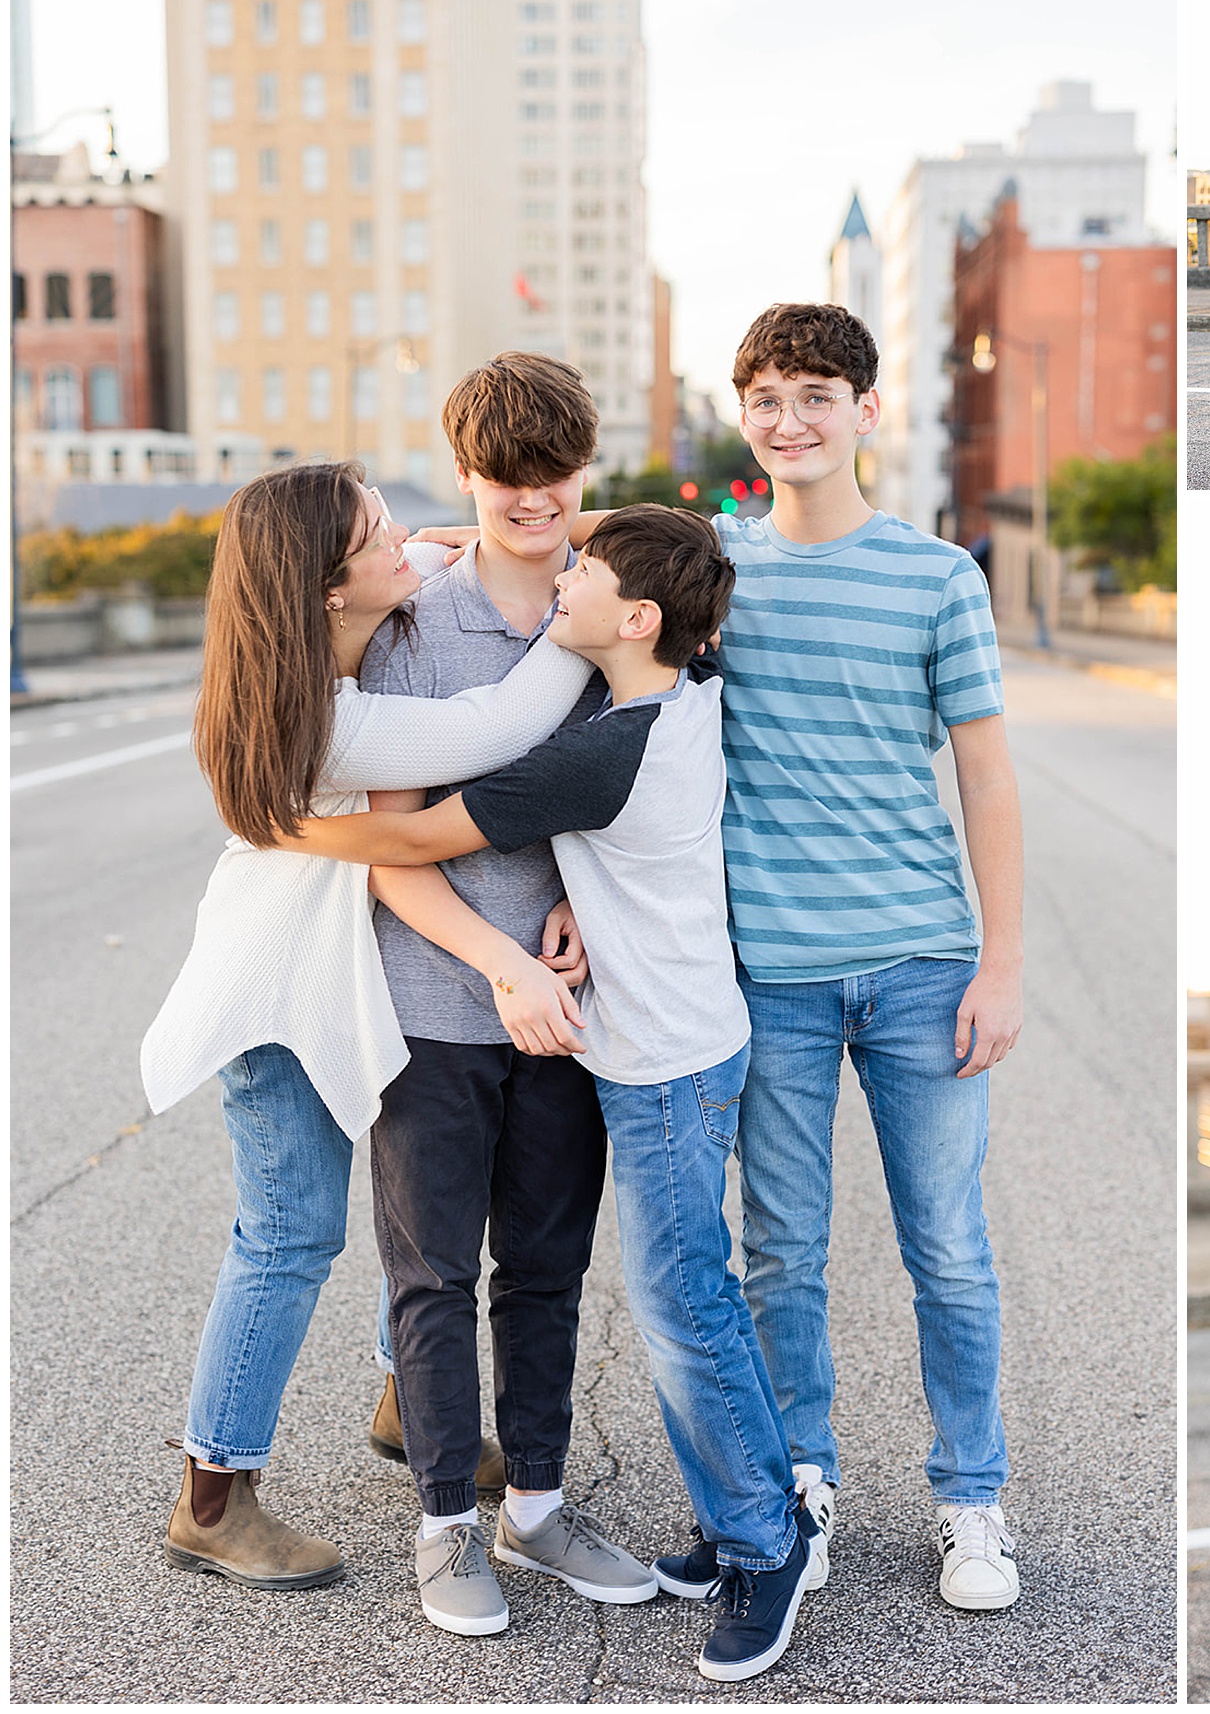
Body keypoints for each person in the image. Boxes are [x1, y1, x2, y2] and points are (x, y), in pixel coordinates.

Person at [493, 303, 1029, 1610]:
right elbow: (575, 604)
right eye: (768, 399)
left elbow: (988, 781)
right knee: (781, 1246)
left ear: (864, 412)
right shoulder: (711, 563)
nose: (790, 422)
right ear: (746, 414)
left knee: (947, 1245)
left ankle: (972, 1499)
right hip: (766, 972)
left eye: (816, 398)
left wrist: (1001, 961)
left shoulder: (937, 576)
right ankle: (801, 1478)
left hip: (921, 961)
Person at [273, 505, 825, 1682]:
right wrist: (435, 539)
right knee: (679, 1300)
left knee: (686, 1311)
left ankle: (769, 1544)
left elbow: (417, 840)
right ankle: (739, 1523)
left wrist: (281, 826)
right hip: (664, 1037)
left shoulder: (603, 748)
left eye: (589, 570)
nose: (562, 574)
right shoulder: (676, 690)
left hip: (661, 1059)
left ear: (633, 620)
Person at [143, 463, 596, 1589]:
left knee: (417, 1209)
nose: (406, 540)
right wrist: (591, 618)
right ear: (325, 589)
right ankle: (212, 1494)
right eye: (374, 534)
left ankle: (408, 1404)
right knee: (290, 1233)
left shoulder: (377, 600)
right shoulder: (333, 724)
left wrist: (530, 528)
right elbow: (498, 724)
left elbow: (480, 531)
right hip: (280, 993)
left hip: (352, 976)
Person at [357, 352, 656, 1634]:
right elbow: (388, 850)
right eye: (504, 478)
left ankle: (536, 1505)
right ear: (466, 472)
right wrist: (505, 966)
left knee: (545, 1272)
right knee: (430, 1279)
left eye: (555, 478)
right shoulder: (414, 626)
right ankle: (443, 1529)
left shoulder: (610, 614)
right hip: (436, 1005)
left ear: (580, 473)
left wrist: (583, 910)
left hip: (571, 1010)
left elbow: (636, 796)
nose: (531, 502)